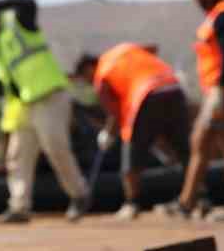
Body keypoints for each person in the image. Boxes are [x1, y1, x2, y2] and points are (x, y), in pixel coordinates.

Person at [0, 0, 91, 223]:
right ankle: (19, 207)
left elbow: (29, 2)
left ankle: (79, 195)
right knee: (17, 157)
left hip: (49, 96)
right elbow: (4, 84)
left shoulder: (18, 23)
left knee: (55, 147)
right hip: (22, 106)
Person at [74, 44, 190, 219]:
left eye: (86, 78)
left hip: (145, 96)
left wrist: (108, 134)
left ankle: (132, 203)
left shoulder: (102, 75)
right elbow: (152, 49)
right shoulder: (125, 49)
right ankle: (198, 197)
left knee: (131, 156)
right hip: (173, 87)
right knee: (184, 150)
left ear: (89, 68)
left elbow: (117, 113)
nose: (89, 82)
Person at [169, 0, 224, 221]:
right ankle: (189, 201)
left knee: (212, 142)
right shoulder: (217, 15)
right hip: (219, 90)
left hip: (223, 91)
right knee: (209, 143)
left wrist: (219, 90)